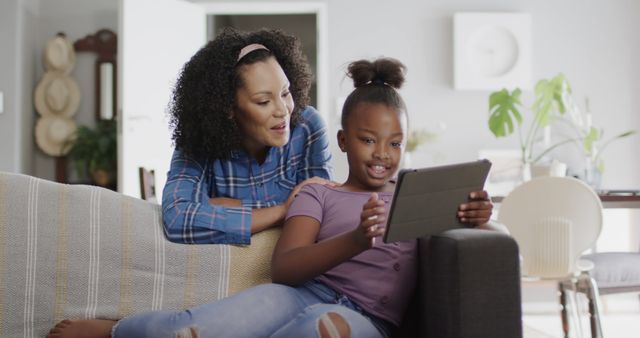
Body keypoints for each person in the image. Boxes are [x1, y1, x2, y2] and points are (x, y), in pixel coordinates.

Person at [48, 57, 495, 338]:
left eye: (394, 143)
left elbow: (458, 225)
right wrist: (355, 241)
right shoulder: (317, 194)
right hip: (300, 293)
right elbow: (285, 267)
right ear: (342, 141)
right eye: (367, 140)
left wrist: (476, 214)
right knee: (191, 329)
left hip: (367, 317)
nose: (381, 154)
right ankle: (114, 331)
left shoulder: (414, 194)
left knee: (317, 329)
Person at [46, 27, 335, 338]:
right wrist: (280, 210)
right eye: (264, 101)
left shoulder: (307, 126)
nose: (283, 111)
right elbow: (178, 218)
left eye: (285, 92)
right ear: (228, 109)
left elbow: (317, 212)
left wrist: (228, 207)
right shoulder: (199, 141)